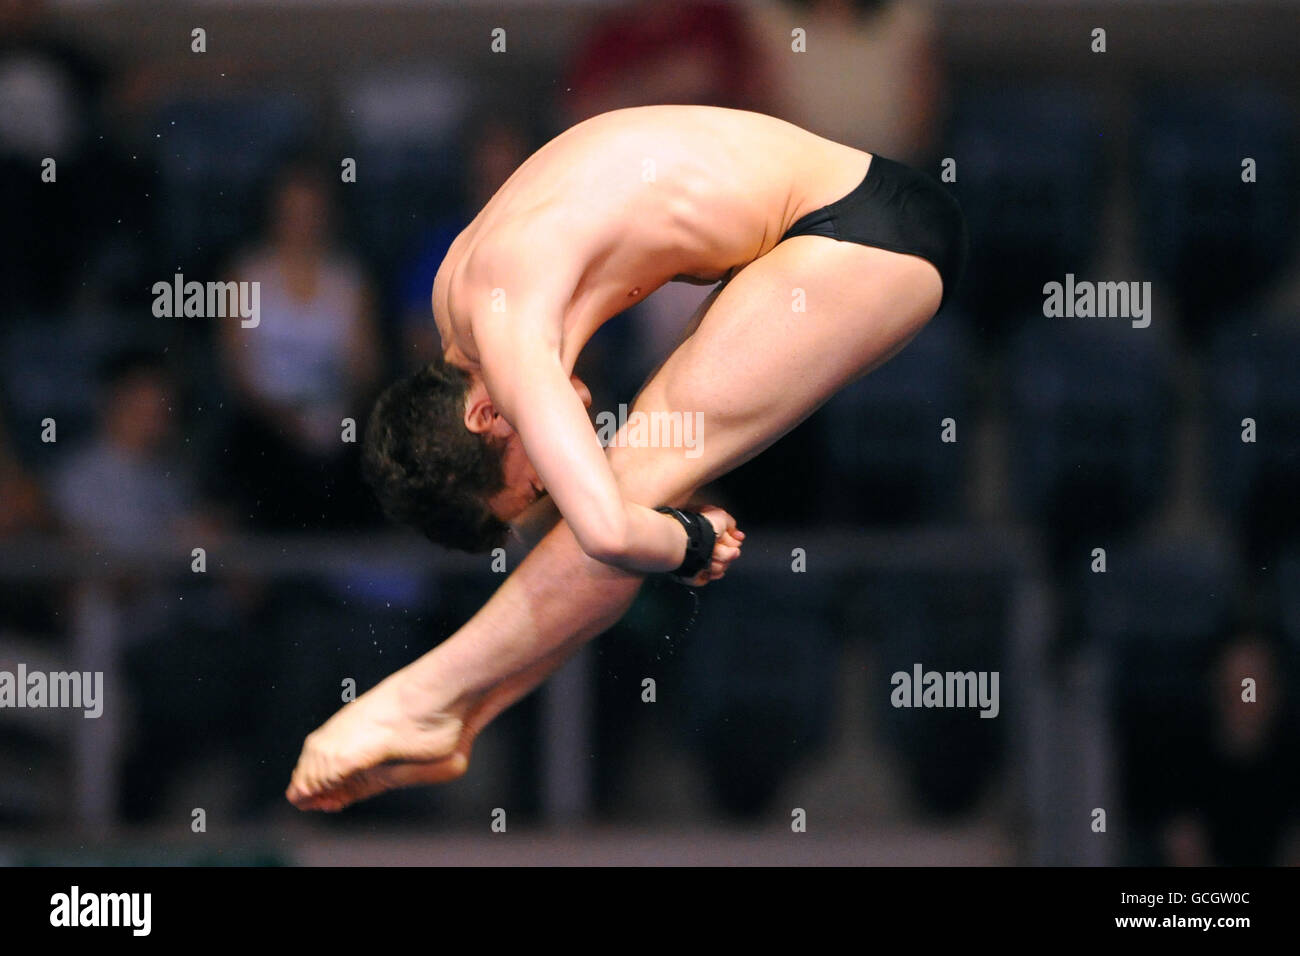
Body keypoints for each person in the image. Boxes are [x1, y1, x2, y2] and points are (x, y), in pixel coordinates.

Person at [286, 104, 967, 810]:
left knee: (617, 502)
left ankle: (413, 700)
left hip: (863, 235)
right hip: (842, 220)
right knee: (625, 490)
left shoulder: (509, 325)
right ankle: (460, 716)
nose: (555, 470)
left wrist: (685, 539)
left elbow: (608, 532)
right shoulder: (457, 301)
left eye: (535, 480)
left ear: (485, 415)